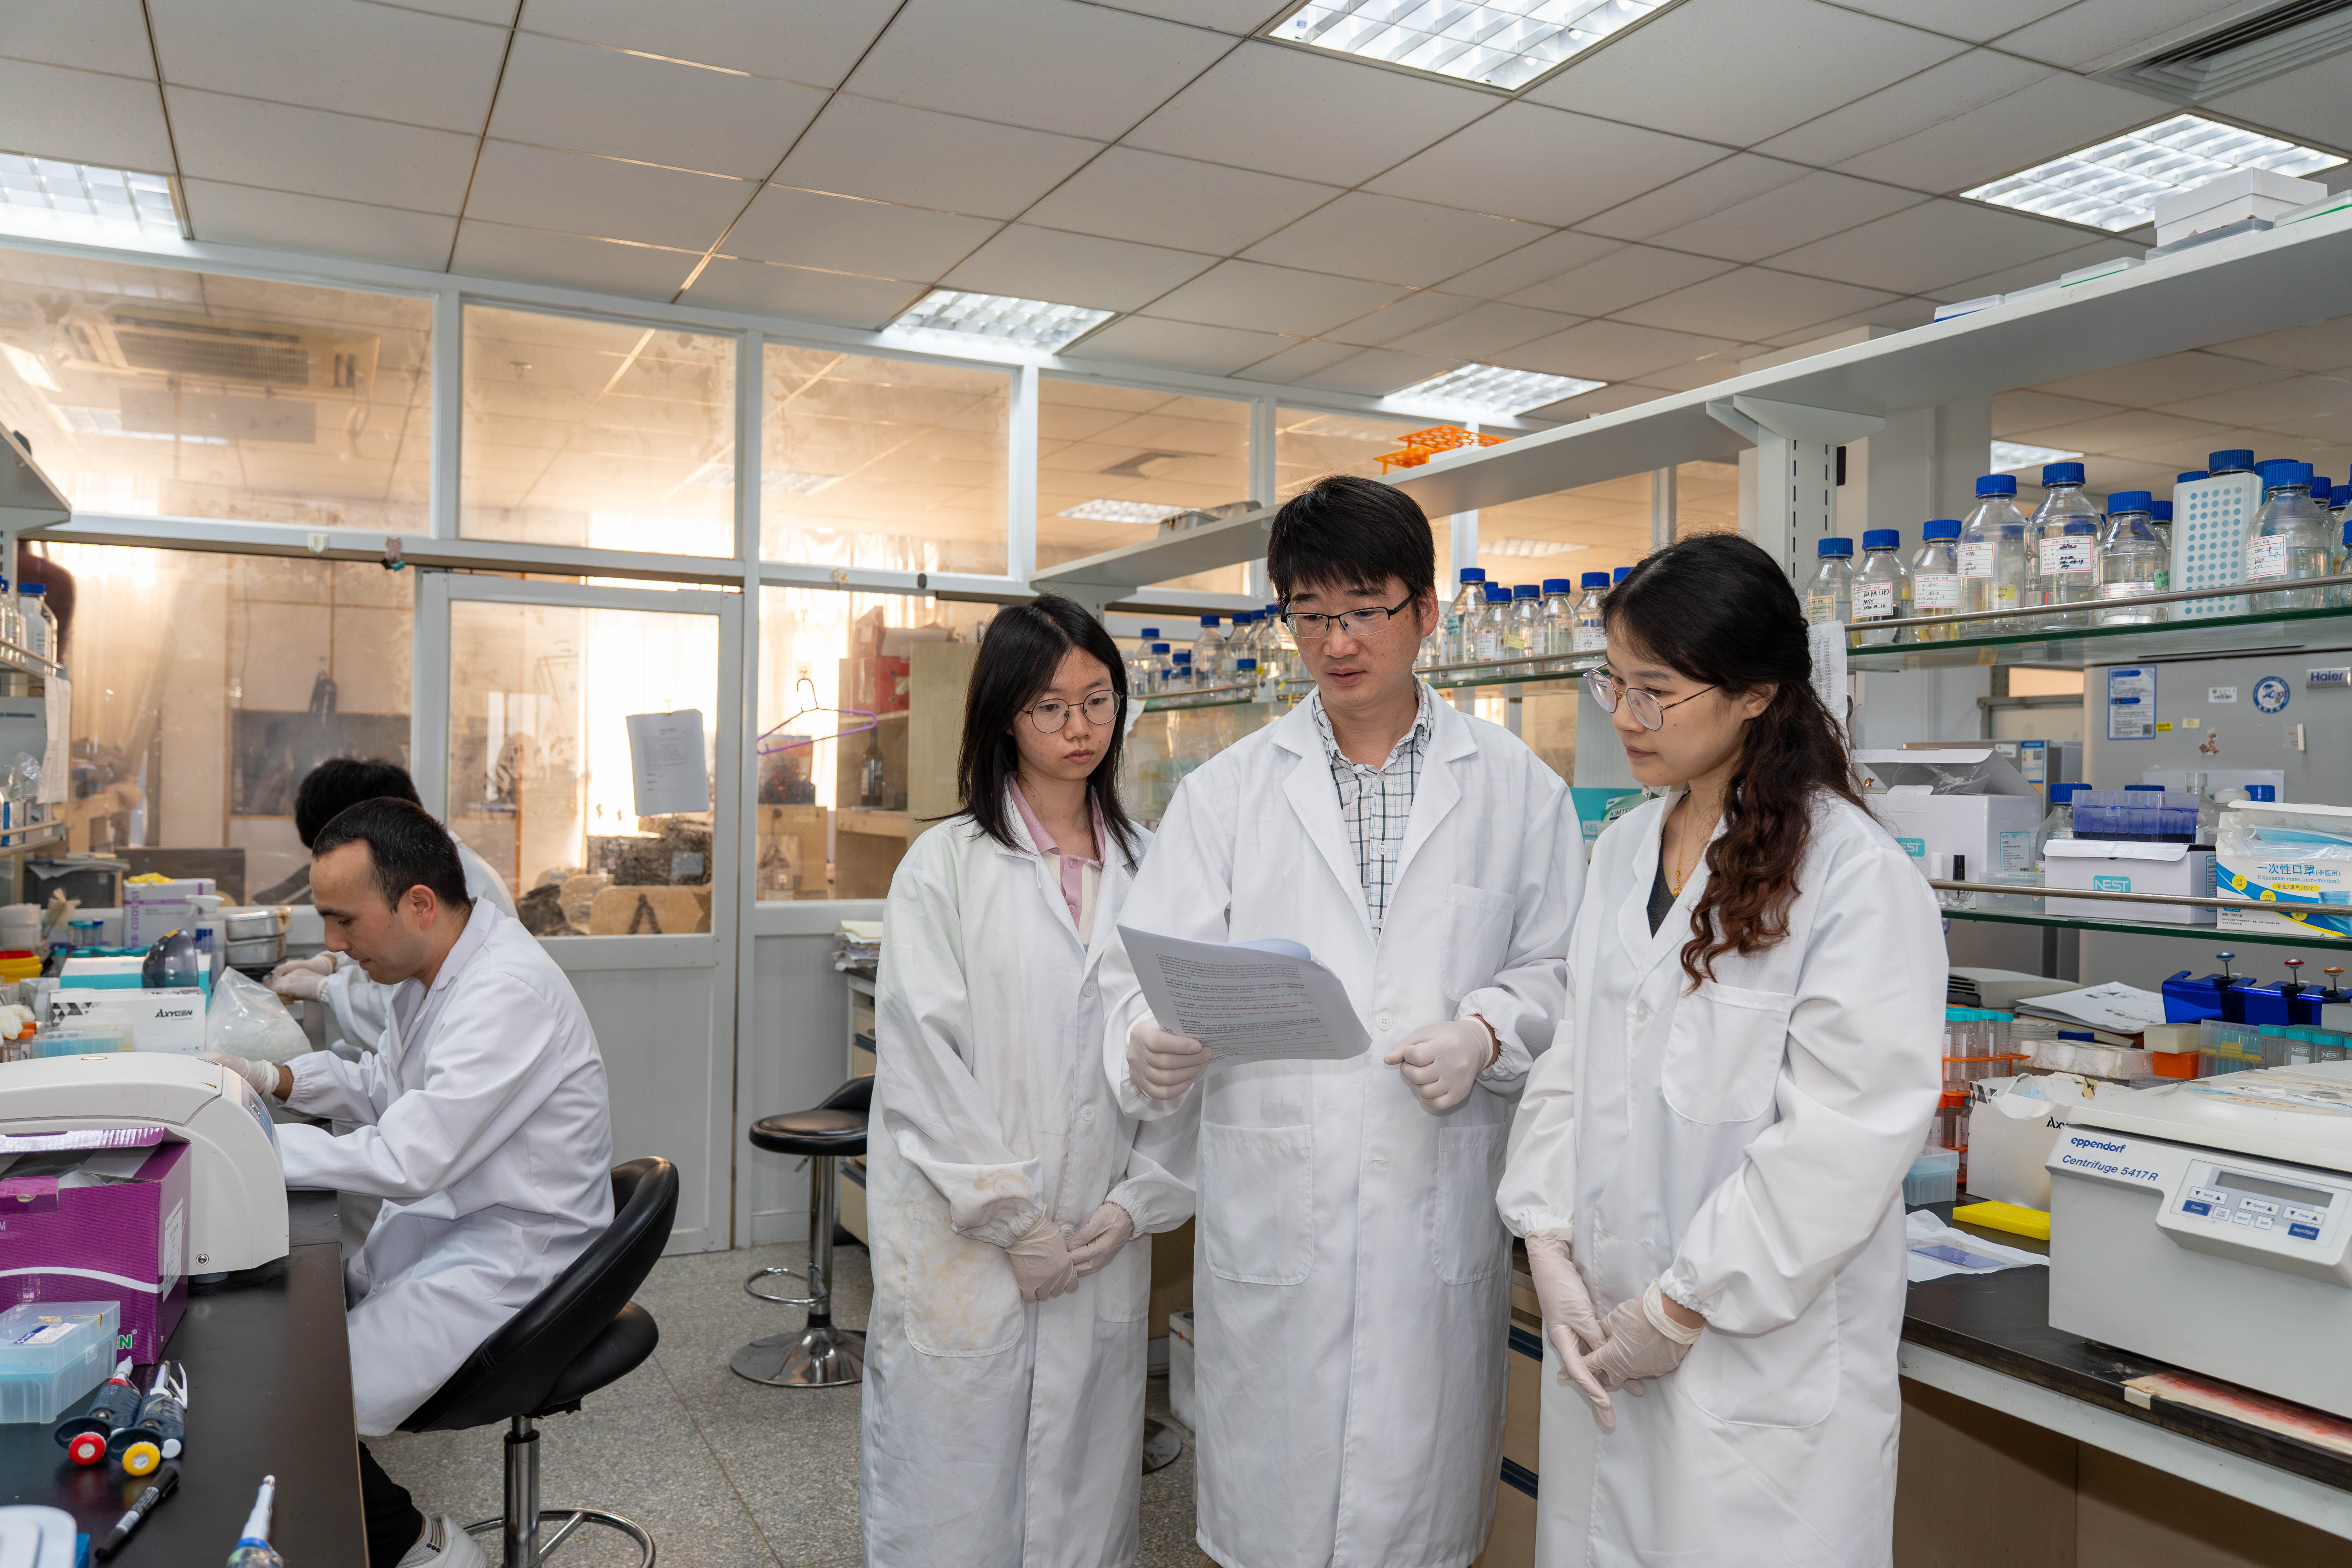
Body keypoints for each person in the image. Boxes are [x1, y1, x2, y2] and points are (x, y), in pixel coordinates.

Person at [1098, 476, 1577, 1568]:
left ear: (1425, 610)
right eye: (1309, 615)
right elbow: (1139, 971)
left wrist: (1488, 1032)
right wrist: (1147, 1038)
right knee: (1270, 1518)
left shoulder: (1516, 791)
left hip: (1431, 1212)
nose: (1336, 641)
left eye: (1363, 610)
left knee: (1418, 1519)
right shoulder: (1226, 794)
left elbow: (1561, 971)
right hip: (1279, 1215)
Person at [1494, 533, 1944, 1566]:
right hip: (1604, 1330)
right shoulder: (1622, 847)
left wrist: (1683, 1302)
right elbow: (1574, 1059)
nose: (1624, 717)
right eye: (1612, 682)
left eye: (1656, 692)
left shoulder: (1853, 878)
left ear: (1754, 694)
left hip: (1755, 1369)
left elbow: (1845, 1136)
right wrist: (1547, 1242)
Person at [861, 594, 1194, 1567]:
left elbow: (1183, 1056)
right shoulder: (945, 867)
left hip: (1097, 1241)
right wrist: (1014, 1218)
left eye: (1098, 701)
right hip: (968, 1247)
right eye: (1051, 707)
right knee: (954, 1497)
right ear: (1005, 715)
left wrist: (1135, 1206)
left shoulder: (1154, 868)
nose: (1079, 727)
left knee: (1080, 1498)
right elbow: (926, 1067)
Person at [205, 797, 614, 1568]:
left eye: (345, 920)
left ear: (419, 904)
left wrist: (244, 1142)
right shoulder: (429, 976)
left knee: (305, 1398)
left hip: (516, 1264)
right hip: (459, 1230)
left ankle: (423, 1548)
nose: (333, 944)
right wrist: (271, 1077)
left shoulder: (506, 992)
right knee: (290, 1346)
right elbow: (385, 1086)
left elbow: (407, 1157)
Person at [265, 758, 516, 1051]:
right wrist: (330, 964)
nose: (333, 942)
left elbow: (393, 1014)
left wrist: (323, 989)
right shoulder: (424, 870)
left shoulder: (452, 881)